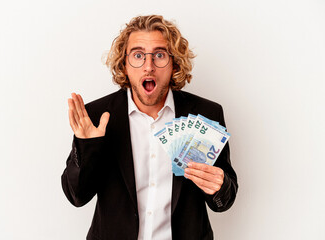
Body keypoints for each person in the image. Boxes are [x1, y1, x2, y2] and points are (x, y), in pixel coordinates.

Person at [62, 15, 238, 240]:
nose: (148, 66)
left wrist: (219, 186)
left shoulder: (205, 115)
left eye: (159, 55)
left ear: (174, 63)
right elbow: (76, 197)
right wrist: (88, 147)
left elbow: (224, 201)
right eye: (138, 55)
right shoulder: (96, 116)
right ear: (124, 65)